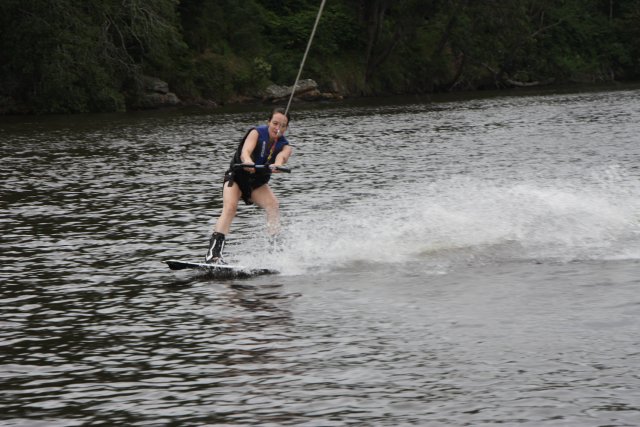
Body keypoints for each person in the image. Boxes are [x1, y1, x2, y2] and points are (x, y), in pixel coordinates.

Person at [205, 107, 293, 263]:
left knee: (273, 205)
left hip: (256, 185)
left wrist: (277, 165)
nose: (277, 128)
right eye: (275, 123)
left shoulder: (286, 146)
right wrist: (248, 161)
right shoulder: (256, 133)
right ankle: (213, 255)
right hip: (237, 178)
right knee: (230, 208)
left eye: (282, 125)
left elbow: (282, 157)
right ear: (268, 122)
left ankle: (276, 253)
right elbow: (246, 151)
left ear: (286, 128)